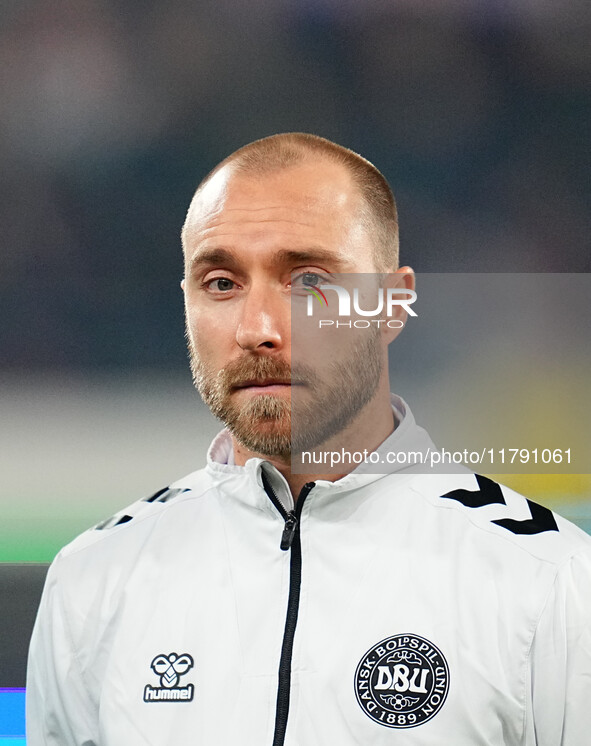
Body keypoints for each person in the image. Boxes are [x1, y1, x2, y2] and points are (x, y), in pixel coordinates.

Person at [27, 133, 591, 745]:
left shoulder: (548, 579)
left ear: (394, 304)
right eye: (221, 283)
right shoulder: (94, 578)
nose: (259, 329)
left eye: (310, 281)